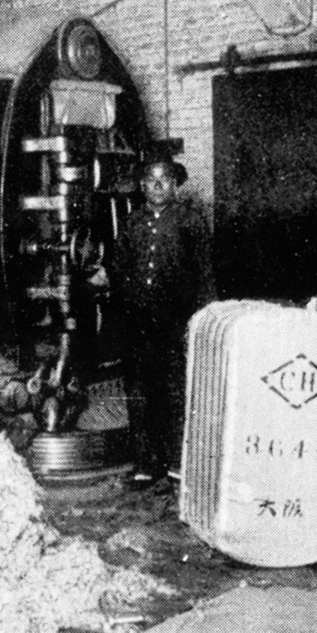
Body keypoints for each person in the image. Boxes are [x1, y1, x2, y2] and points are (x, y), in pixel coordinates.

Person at [109, 153, 216, 488]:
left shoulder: (190, 221)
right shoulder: (132, 223)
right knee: (140, 394)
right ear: (142, 186)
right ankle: (146, 463)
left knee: (175, 392)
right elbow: (118, 269)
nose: (157, 186)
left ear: (175, 184)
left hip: (176, 323)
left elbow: (205, 275)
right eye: (151, 180)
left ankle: (176, 464)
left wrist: (200, 322)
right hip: (138, 323)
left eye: (164, 179)